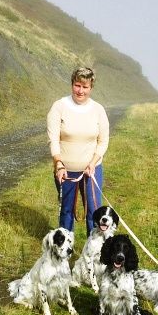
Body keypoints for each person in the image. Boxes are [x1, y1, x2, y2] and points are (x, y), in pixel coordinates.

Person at [47, 67, 110, 235]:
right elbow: (53, 139)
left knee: (94, 213)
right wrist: (58, 164)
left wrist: (93, 163)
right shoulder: (59, 106)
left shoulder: (98, 110)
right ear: (72, 84)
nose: (80, 91)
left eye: (85, 87)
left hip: (92, 170)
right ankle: (64, 254)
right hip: (65, 171)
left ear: (91, 88)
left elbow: (103, 141)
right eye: (77, 85)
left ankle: (95, 255)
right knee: (66, 212)